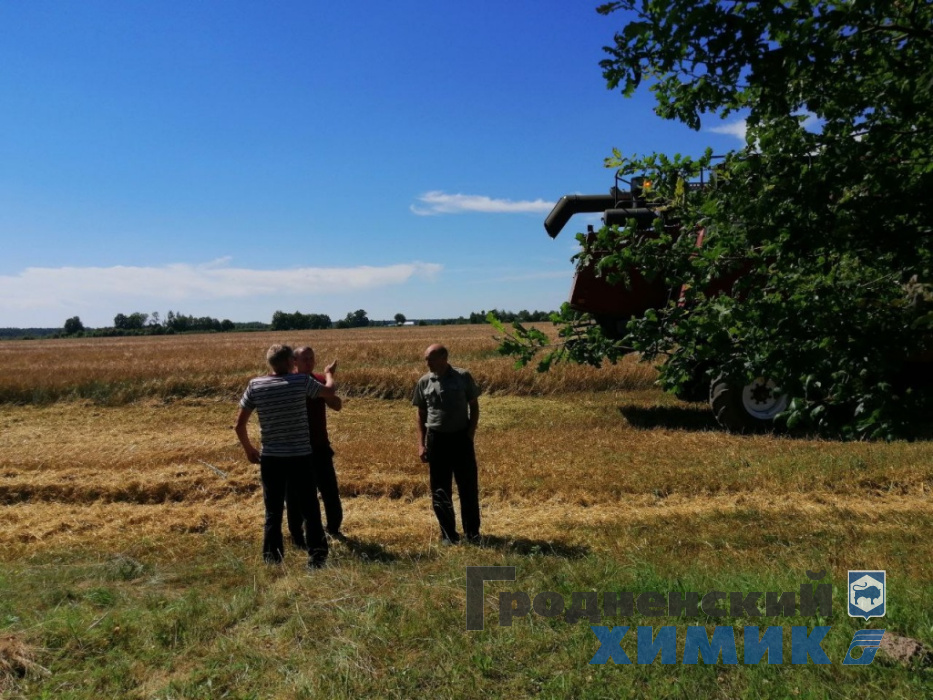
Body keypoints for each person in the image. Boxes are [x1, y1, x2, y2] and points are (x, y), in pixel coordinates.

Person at [234, 344, 337, 568]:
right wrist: (329, 374)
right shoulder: (300, 382)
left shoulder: (255, 385)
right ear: (291, 361)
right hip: (301, 456)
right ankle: (317, 559)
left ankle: (272, 559)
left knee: (273, 511)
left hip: (271, 458)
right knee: (310, 508)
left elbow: (239, 425)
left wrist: (249, 449)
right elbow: (329, 392)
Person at [412, 343, 481, 544]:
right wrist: (421, 444)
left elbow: (474, 407)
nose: (427, 363)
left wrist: (470, 434)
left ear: (444, 357)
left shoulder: (463, 377)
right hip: (437, 440)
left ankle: (472, 534)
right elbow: (420, 414)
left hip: (461, 439)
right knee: (440, 489)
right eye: (426, 359)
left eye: (430, 358)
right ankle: (449, 535)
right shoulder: (424, 382)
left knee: (468, 487)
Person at [286, 345, 344, 546]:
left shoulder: (318, 380)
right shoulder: (289, 382)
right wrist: (329, 378)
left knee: (329, 489)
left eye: (311, 358)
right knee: (294, 494)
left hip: (319, 445)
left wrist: (328, 396)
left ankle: (334, 528)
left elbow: (337, 405)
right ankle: (297, 535)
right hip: (298, 449)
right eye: (305, 359)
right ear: (294, 362)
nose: (309, 362)